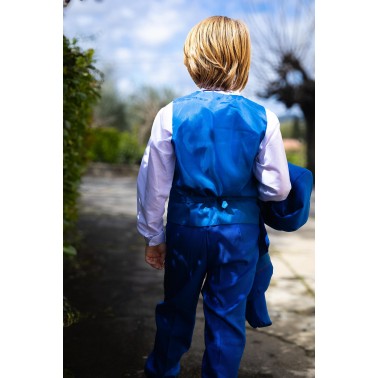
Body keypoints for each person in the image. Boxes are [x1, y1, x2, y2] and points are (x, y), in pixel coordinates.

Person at [136, 15, 291, 378]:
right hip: (239, 235)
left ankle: (161, 371)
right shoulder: (264, 118)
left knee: (175, 309)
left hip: (186, 230)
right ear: (242, 59)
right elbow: (277, 187)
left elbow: (153, 185)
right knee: (227, 318)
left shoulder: (170, 114)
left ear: (193, 59)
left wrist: (153, 236)